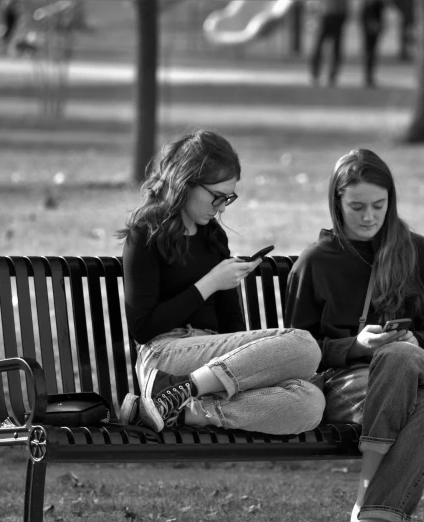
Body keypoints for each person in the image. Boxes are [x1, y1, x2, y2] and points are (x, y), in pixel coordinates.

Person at [117, 129, 325, 435]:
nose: (223, 207)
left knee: (309, 402)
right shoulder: (146, 234)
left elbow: (230, 331)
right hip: (165, 357)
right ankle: (171, 387)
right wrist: (210, 283)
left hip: (213, 364)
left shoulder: (214, 237)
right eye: (217, 196)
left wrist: (230, 286)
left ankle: (181, 409)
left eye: (229, 198)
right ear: (185, 183)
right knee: (305, 345)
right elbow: (143, 328)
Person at [285, 148, 424, 521]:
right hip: (346, 386)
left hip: (414, 369)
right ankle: (372, 513)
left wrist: (417, 342)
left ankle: (366, 494)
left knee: (398, 356)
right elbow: (297, 352)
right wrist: (356, 346)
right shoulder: (316, 262)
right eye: (357, 206)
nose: (369, 216)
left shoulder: (418, 251)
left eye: (379, 205)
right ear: (337, 202)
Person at [309, 0, 349, 87]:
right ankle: (316, 73)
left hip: (336, 16)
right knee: (319, 47)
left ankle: (332, 75)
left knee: (335, 48)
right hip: (326, 16)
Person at [359, 0, 386, 87]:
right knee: (370, 51)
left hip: (371, 21)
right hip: (372, 21)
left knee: (370, 51)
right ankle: (368, 76)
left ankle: (369, 76)